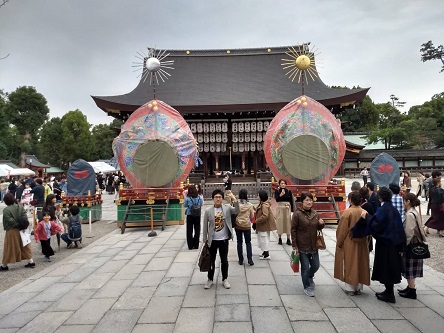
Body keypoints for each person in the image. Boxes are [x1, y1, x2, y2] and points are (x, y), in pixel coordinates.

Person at [360, 187, 406, 303]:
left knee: (386, 267)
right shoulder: (393, 209)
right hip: (394, 243)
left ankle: (389, 294)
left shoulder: (383, 210)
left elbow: (376, 224)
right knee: (391, 266)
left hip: (386, 244)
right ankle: (388, 290)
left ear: (380, 197)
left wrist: (367, 216)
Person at [202, 189, 239, 290]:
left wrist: (234, 199)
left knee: (224, 260)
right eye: (216, 197)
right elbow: (205, 226)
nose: (218, 199)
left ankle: (225, 279)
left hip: (224, 239)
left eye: (219, 197)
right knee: (211, 260)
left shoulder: (227, 208)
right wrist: (205, 240)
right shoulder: (208, 211)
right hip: (212, 240)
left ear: (222, 199)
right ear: (213, 199)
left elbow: (237, 210)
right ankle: (210, 279)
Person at [334, 192, 370, 295]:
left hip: (350, 241)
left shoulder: (347, 212)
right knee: (360, 263)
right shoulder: (364, 211)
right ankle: (358, 287)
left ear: (350, 200)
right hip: (362, 241)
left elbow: (342, 230)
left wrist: (339, 242)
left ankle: (350, 288)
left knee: (350, 263)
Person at [291, 192, 325, 297]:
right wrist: (294, 244)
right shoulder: (297, 214)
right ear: (302, 202)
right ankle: (307, 286)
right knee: (305, 267)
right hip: (302, 245)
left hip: (313, 244)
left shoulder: (315, 213)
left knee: (316, 265)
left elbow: (317, 228)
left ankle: (310, 276)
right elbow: (293, 229)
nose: (309, 202)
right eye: (306, 200)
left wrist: (321, 224)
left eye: (310, 200)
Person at [398, 193, 427, 299]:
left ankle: (411, 291)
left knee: (410, 268)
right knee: (411, 268)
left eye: (404, 201)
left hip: (412, 244)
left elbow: (409, 232)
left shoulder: (410, 215)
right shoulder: (414, 212)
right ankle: (410, 287)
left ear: (408, 201)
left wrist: (404, 245)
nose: (403, 203)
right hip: (416, 243)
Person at [1, 193, 35, 271]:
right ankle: (31, 261)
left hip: (12, 230)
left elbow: (9, 220)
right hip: (22, 229)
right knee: (25, 245)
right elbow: (24, 216)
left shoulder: (6, 210)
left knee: (9, 247)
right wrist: (21, 225)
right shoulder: (20, 207)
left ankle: (4, 265)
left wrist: (16, 224)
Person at [234, 189, 255, 265]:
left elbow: (234, 213)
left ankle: (240, 259)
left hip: (238, 225)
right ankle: (250, 259)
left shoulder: (236, 204)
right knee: (248, 242)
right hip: (246, 226)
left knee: (239, 242)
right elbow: (252, 216)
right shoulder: (250, 205)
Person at [255, 190, 277, 260]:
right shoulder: (262, 204)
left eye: (258, 195)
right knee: (263, 238)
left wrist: (257, 221)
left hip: (264, 225)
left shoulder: (264, 205)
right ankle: (264, 252)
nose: (257, 196)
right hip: (263, 225)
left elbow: (265, 215)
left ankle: (266, 254)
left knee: (264, 238)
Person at [424, 171, 444, 236]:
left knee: (434, 217)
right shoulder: (440, 190)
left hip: (432, 204)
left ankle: (439, 230)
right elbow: (441, 199)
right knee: (438, 218)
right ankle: (426, 228)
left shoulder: (431, 189)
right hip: (438, 205)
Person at [183, 184, 203, 250]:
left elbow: (185, 205)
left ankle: (190, 245)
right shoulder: (200, 197)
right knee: (197, 229)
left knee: (189, 230)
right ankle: (196, 244)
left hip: (190, 214)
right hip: (197, 214)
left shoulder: (187, 198)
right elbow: (201, 204)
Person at [274, 179, 294, 245]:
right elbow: (277, 199)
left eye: (284, 183)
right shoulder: (277, 191)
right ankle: (280, 238)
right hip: (280, 207)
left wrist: (292, 210)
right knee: (280, 222)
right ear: (279, 184)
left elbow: (291, 201)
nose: (283, 184)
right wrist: (280, 195)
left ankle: (288, 239)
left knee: (288, 223)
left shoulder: (288, 191)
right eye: (281, 183)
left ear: (286, 184)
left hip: (287, 208)